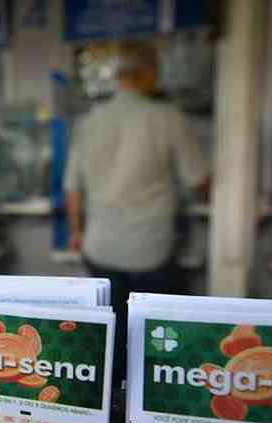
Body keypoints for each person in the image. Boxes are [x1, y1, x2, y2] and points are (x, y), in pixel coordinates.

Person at [63, 41, 209, 387]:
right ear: (150, 73)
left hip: (100, 248)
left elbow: (72, 188)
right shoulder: (168, 118)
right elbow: (199, 180)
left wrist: (77, 230)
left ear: (118, 76)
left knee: (111, 333)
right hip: (151, 249)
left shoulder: (90, 122)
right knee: (157, 338)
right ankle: (154, 403)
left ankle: (114, 403)